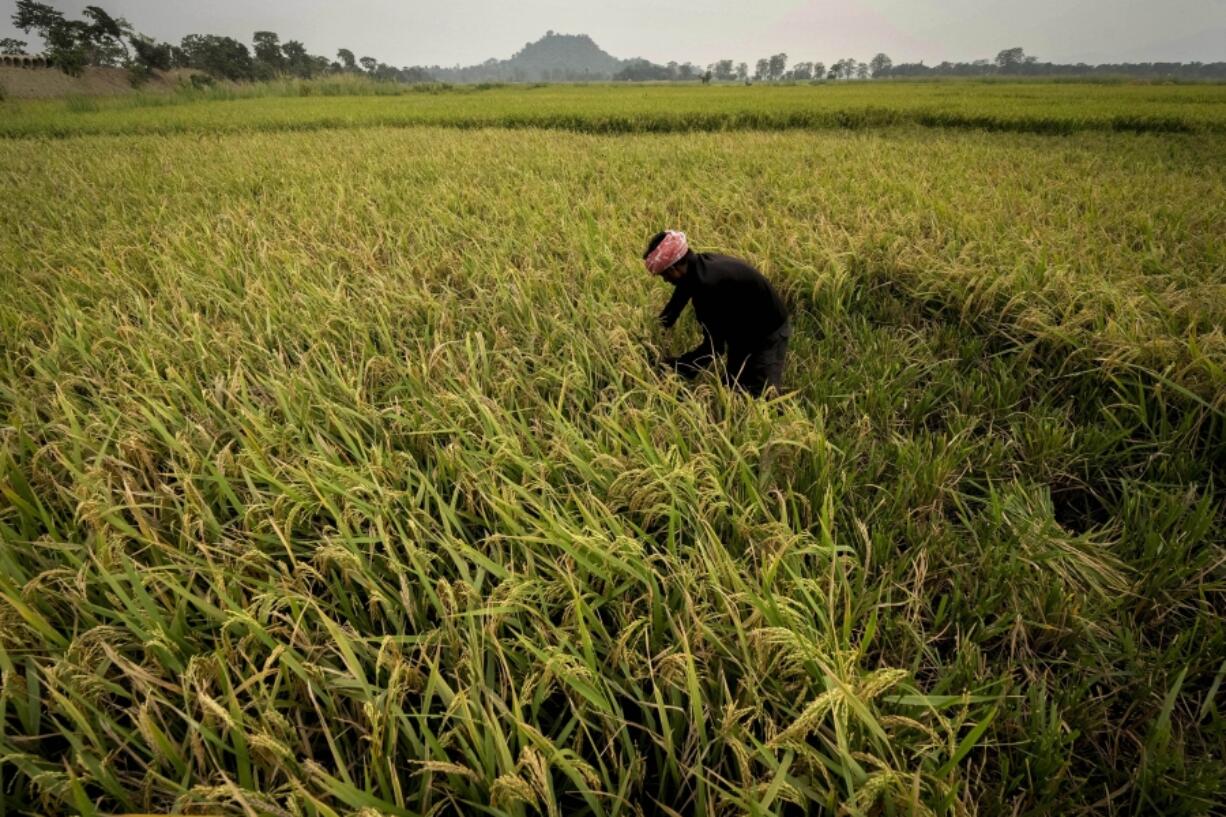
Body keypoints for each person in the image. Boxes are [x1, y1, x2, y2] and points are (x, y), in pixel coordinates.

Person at [644, 230, 791, 397]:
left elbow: (714, 348)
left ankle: (776, 417)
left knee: (762, 394)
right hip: (743, 326)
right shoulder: (697, 267)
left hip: (768, 330)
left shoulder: (708, 286)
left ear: (674, 268)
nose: (665, 280)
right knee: (732, 385)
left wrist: (677, 367)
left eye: (664, 275)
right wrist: (655, 331)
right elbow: (676, 303)